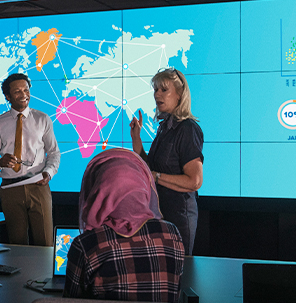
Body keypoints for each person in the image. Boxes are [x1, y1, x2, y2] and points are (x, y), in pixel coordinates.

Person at [63, 148, 184, 302]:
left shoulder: (86, 245)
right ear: (143, 187)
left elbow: (68, 299)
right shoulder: (172, 235)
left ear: (99, 192)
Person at [130, 67, 203, 255]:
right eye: (155, 90)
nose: (157, 95)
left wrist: (157, 176)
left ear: (179, 94)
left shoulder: (187, 129)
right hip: (158, 215)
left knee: (177, 277)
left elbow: (194, 181)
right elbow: (148, 168)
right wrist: (136, 138)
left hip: (178, 219)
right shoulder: (164, 128)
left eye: (164, 90)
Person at [0, 73, 60, 246]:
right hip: (11, 188)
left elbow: (54, 153)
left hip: (38, 186)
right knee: (16, 243)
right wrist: (0, 162)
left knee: (45, 243)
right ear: (8, 96)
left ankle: (46, 274)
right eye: (17, 91)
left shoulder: (43, 119)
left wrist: (48, 173)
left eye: (26, 90)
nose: (24, 94)